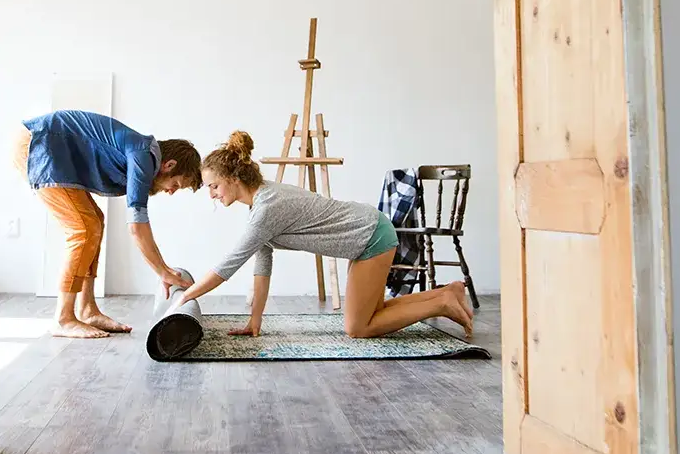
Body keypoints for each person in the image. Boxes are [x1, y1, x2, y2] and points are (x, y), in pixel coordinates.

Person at [177, 132, 474, 340]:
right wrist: (255, 320)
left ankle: (440, 304)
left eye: (213, 186)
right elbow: (262, 263)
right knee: (372, 312)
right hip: (366, 235)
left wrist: (185, 297)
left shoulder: (267, 208)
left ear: (233, 178)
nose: (212, 195)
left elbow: (228, 265)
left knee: (358, 328)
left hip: (370, 236)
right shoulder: (260, 204)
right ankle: (445, 293)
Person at [13, 110, 200, 339]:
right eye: (176, 184)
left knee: (94, 222)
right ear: (169, 165)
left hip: (51, 146)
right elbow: (137, 227)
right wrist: (163, 272)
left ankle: (87, 309)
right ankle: (63, 318)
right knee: (83, 229)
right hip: (40, 142)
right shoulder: (143, 157)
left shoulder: (143, 152)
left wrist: (164, 270)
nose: (171, 192)